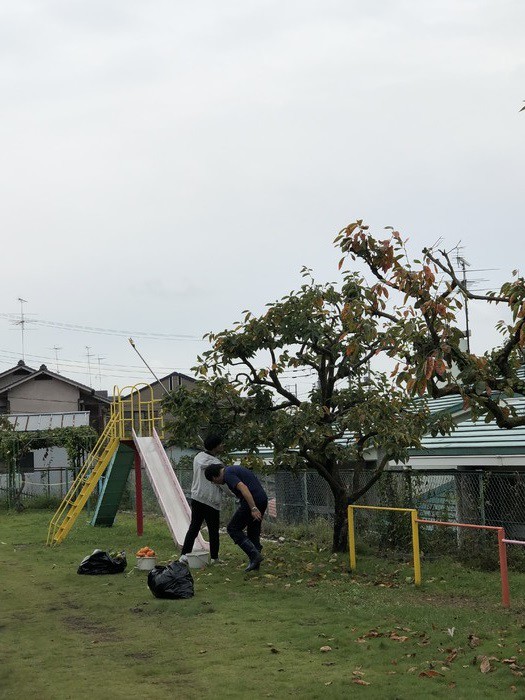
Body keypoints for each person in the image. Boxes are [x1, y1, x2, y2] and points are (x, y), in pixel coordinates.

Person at [205, 463, 268, 572]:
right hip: (262, 498)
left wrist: (253, 508)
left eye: (214, 481)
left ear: (215, 477)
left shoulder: (228, 474)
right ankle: (255, 565)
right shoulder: (233, 469)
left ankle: (254, 555)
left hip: (253, 501)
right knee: (253, 531)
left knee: (233, 528)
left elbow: (243, 488)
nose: (216, 483)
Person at [179, 434, 225, 565]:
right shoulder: (217, 463)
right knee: (211, 529)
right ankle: (214, 558)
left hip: (199, 497)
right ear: (215, 446)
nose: (222, 446)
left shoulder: (198, 457)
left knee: (196, 527)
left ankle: (184, 556)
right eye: (220, 444)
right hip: (209, 499)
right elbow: (220, 480)